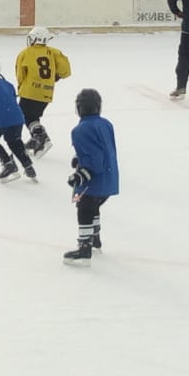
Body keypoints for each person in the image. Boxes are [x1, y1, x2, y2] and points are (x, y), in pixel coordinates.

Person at [64, 88, 119, 267]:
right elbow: (103, 149)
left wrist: (80, 176)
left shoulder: (80, 130)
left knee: (85, 208)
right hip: (110, 177)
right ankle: (95, 239)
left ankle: (85, 247)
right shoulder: (106, 124)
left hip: (95, 180)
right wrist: (79, 158)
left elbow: (94, 159)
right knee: (94, 206)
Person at [15, 26, 71, 159]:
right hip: (46, 93)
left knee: (25, 116)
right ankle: (36, 140)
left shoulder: (26, 53)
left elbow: (20, 74)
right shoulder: (54, 52)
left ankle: (41, 137)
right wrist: (56, 76)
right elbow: (66, 71)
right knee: (33, 116)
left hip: (29, 92)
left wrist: (21, 87)